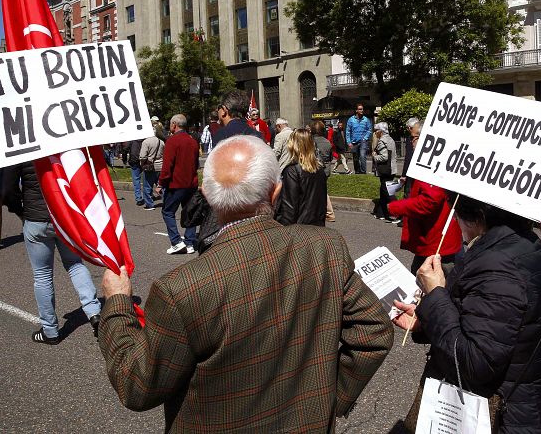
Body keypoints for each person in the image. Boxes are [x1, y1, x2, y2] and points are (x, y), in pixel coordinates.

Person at [97, 135, 393, 431]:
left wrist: (118, 304)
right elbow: (374, 331)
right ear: (275, 192)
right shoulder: (324, 247)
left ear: (207, 194)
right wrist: (328, 399)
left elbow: (137, 386)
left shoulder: (181, 288)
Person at [394, 196, 541, 433]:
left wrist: (436, 294)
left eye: (456, 214)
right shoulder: (522, 243)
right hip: (527, 405)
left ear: (476, 218)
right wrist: (426, 320)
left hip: (502, 417)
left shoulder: (498, 265)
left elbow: (475, 363)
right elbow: (488, 324)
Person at [2, 161, 102, 345]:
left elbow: (8, 189)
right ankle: (94, 313)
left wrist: (20, 211)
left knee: (42, 275)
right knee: (75, 265)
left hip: (35, 217)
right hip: (64, 216)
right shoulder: (61, 143)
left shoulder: (21, 147)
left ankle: (50, 330)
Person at [387, 180, 462, 274]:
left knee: (428, 280)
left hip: (435, 238)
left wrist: (395, 207)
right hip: (435, 237)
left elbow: (430, 200)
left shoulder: (433, 170)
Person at [159, 114, 199, 255]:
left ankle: (176, 241)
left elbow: (167, 166)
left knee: (168, 211)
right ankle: (189, 242)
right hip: (191, 183)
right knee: (189, 213)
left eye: (170, 124)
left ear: (174, 124)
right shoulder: (192, 141)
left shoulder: (172, 141)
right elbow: (196, 164)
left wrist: (161, 183)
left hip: (176, 184)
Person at [275, 129, 328, 226]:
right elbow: (322, 202)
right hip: (317, 224)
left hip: (299, 228)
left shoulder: (292, 171)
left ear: (293, 145)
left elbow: (289, 208)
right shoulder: (320, 170)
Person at [371, 122, 397, 222]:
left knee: (388, 192)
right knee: (383, 191)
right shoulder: (390, 139)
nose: (375, 133)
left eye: (376, 131)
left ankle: (399, 214)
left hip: (385, 170)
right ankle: (381, 213)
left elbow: (384, 157)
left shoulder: (382, 141)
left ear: (380, 132)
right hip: (391, 169)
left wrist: (374, 156)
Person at [311, 121, 336, 222]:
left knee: (316, 191)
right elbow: (330, 157)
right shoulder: (327, 142)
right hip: (326, 169)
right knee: (323, 189)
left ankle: (328, 212)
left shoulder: (311, 141)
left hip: (315, 168)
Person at [346, 104, 372, 174]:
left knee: (363, 156)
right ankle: (357, 172)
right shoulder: (351, 120)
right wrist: (349, 142)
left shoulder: (366, 120)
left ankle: (363, 172)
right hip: (354, 142)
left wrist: (365, 138)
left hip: (363, 142)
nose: (362, 110)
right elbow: (348, 131)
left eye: (362, 109)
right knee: (355, 158)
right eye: (360, 109)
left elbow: (369, 130)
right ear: (356, 110)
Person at [400, 118, 421, 198]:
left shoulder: (411, 139)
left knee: (409, 194)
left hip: (412, 173)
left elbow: (408, 158)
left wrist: (404, 175)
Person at [125, 138, 147, 206]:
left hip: (134, 160)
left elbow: (125, 148)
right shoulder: (146, 139)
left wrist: (124, 157)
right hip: (145, 160)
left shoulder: (132, 139)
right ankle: (148, 196)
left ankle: (139, 198)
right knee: (146, 179)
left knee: (136, 179)